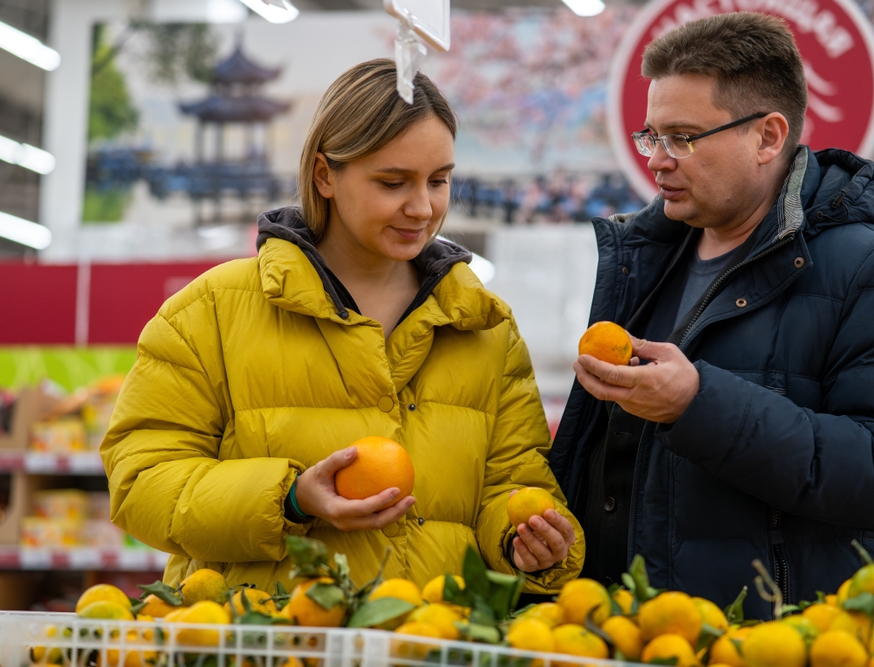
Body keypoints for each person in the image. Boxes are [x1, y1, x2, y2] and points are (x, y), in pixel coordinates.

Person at [102, 59, 583, 594]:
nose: (422, 207)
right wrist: (290, 498)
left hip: (430, 641)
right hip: (270, 641)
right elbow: (140, 483)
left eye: (439, 181)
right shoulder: (212, 310)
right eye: (393, 181)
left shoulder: (485, 327)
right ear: (325, 175)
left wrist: (526, 541)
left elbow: (514, 484)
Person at [549, 12, 874, 619]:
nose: (657, 161)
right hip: (639, 635)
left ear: (767, 136)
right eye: (651, 135)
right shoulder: (646, 260)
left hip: (779, 641)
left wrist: (698, 405)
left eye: (683, 136)